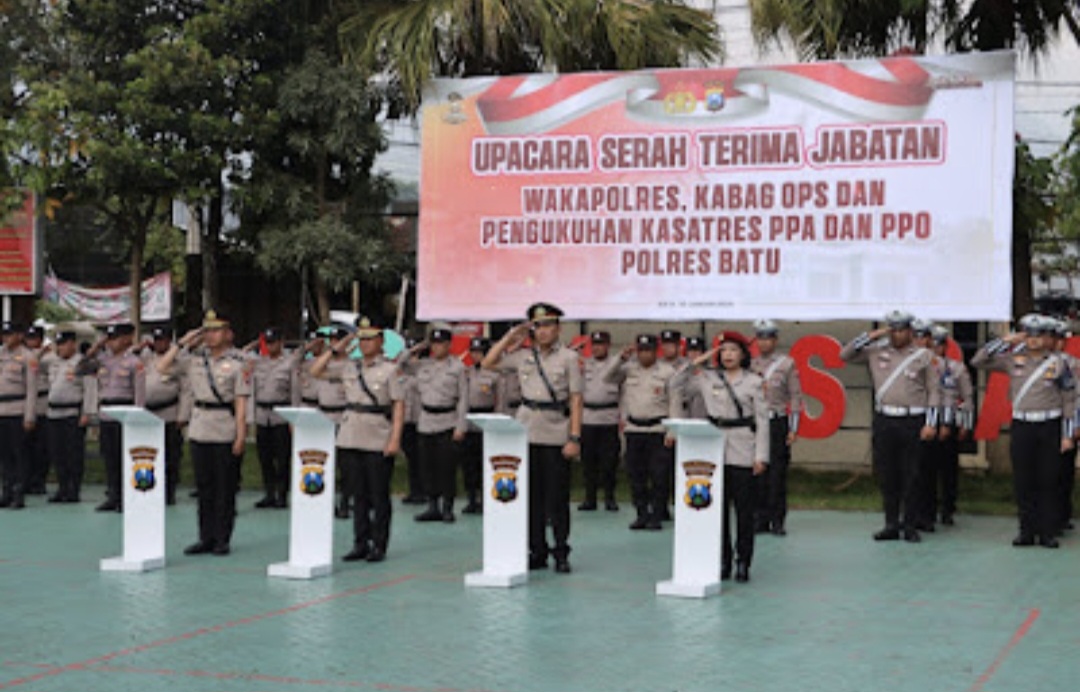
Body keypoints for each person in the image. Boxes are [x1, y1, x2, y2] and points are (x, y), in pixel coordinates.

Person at [482, 303, 583, 573]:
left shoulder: (569, 358)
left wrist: (574, 437)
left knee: (557, 499)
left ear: (558, 328)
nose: (543, 331)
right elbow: (488, 362)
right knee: (530, 499)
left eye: (548, 325)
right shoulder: (523, 355)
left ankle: (561, 551)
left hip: (555, 433)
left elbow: (575, 399)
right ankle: (536, 550)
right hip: (525, 432)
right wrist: (510, 337)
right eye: (537, 326)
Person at [972, 315, 1075, 548]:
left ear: (1048, 338)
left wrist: (1068, 435)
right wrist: (1006, 340)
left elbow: (1069, 400)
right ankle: (1026, 530)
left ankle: (1047, 532)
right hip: (1022, 426)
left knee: (1048, 479)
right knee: (1024, 479)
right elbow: (978, 360)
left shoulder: (1059, 363)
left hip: (1050, 425)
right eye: (1029, 335)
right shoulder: (1012, 360)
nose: (1034, 340)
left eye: (1039, 335)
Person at [840, 310, 941, 543]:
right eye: (893, 329)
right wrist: (873, 335)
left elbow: (934, 390)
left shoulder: (923, 355)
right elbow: (845, 354)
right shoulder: (876, 352)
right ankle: (891, 524)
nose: (897, 334)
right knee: (888, 474)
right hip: (885, 419)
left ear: (910, 331)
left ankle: (910, 525)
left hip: (913, 420)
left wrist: (930, 423)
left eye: (901, 329)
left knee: (912, 475)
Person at [312, 318, 404, 562]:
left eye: (370, 338)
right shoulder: (349, 367)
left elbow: (398, 406)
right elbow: (316, 370)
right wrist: (336, 347)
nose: (365, 344)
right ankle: (360, 542)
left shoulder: (390, 370)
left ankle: (379, 544)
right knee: (357, 495)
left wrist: (395, 439)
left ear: (381, 341)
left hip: (377, 436)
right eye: (361, 339)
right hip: (350, 435)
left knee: (378, 495)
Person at [680, 331, 769, 582]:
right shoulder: (707, 378)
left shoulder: (753, 381)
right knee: (715, 512)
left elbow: (762, 421)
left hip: (743, 448)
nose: (728, 355)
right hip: (713, 449)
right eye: (724, 350)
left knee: (744, 511)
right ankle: (723, 561)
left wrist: (761, 455)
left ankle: (743, 561)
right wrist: (696, 362)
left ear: (743, 354)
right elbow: (674, 385)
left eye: (733, 350)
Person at [160, 311, 250, 556]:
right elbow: (162, 366)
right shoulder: (194, 360)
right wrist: (183, 342)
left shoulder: (239, 364)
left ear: (228, 334)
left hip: (224, 428)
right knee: (204, 487)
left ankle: (222, 538)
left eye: (216, 330)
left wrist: (241, 436)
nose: (210, 336)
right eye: (207, 331)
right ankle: (205, 537)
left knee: (225, 488)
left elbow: (241, 404)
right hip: (200, 427)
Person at [601, 334, 680, 530]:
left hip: (658, 429)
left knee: (659, 476)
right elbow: (606, 377)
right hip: (634, 429)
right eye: (641, 350)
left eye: (648, 350)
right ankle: (641, 513)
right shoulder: (629, 369)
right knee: (636, 475)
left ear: (656, 351)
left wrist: (672, 432)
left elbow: (675, 403)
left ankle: (657, 513)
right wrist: (621, 357)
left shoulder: (668, 372)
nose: (644, 355)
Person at [399, 326, 468, 523]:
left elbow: (463, 398)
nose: (436, 348)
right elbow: (401, 364)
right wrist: (417, 347)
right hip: (426, 421)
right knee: (427, 466)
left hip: (448, 420)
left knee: (446, 467)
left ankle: (447, 507)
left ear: (448, 345)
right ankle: (432, 506)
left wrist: (460, 426)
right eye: (434, 344)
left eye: (440, 344)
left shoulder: (457, 368)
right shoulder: (423, 365)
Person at [750, 319, 803, 536]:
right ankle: (759, 518)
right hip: (754, 423)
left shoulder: (786, 364)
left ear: (775, 340)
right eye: (760, 338)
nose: (763, 343)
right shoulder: (750, 364)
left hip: (777, 421)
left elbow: (796, 396)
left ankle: (777, 520)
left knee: (777, 475)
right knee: (757, 474)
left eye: (768, 338)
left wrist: (793, 428)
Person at [919, 324, 975, 528]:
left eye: (938, 344)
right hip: (923, 421)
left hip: (947, 421)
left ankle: (948, 508)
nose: (934, 348)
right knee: (925, 470)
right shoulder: (919, 365)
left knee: (948, 470)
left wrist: (963, 424)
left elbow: (966, 397)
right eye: (930, 343)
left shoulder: (956, 368)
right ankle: (926, 510)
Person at [87, 322, 146, 512]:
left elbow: (140, 393)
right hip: (106, 413)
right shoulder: (103, 360)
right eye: (109, 339)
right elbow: (82, 367)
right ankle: (113, 495)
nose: (112, 343)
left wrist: (138, 417)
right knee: (109, 457)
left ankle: (126, 498)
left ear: (127, 339)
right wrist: (97, 345)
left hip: (125, 413)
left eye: (116, 339)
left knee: (124, 458)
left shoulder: (134, 362)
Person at [248, 327, 301, 509]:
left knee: (283, 458)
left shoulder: (289, 363)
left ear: (281, 342)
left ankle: (282, 494)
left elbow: (295, 391)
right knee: (265, 458)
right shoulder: (258, 363)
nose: (270, 346)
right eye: (267, 342)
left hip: (281, 414)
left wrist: (294, 419)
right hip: (263, 415)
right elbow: (253, 391)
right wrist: (251, 417)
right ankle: (269, 493)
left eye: (273, 342)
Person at [39, 331, 93, 503]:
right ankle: (62, 488)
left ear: (72, 344)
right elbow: (32, 363)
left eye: (63, 344)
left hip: (73, 413)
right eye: (58, 344)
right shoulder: (53, 362)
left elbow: (90, 390)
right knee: (57, 453)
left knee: (73, 454)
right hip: (54, 413)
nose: (60, 347)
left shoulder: (83, 362)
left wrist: (87, 412)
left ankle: (73, 489)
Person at [139, 326, 185, 505]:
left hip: (169, 413)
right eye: (157, 340)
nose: (160, 343)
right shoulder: (146, 358)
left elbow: (185, 390)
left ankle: (169, 493)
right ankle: (149, 489)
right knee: (149, 455)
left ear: (169, 341)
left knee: (170, 456)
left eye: (163, 340)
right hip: (148, 414)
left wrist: (183, 414)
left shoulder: (178, 361)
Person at [579, 331, 621, 512]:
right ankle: (590, 498)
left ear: (608, 345)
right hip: (588, 417)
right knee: (588, 462)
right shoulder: (584, 364)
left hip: (609, 417)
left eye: (601, 344)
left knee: (609, 462)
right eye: (594, 344)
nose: (597, 348)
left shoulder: (617, 364)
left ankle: (610, 498)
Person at [312, 327, 351, 518]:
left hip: (343, 416)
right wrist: (331, 352)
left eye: (338, 340)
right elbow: (315, 370)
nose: (333, 343)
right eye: (332, 340)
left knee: (345, 465)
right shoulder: (324, 363)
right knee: (324, 464)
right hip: (323, 417)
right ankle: (325, 501)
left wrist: (343, 349)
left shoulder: (351, 365)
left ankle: (345, 501)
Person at [0, 322, 38, 509]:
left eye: (10, 334)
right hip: (1, 410)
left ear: (19, 335)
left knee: (19, 454)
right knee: (4, 455)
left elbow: (31, 389)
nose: (6, 338)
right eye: (4, 334)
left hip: (18, 409)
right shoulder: (0, 354)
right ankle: (6, 490)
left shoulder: (28, 357)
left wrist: (29, 415)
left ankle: (19, 492)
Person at [462, 337, 500, 514]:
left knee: (487, 463)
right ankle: (471, 498)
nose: (476, 356)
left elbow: (499, 400)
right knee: (469, 464)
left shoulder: (494, 375)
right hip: (470, 419)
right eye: (473, 352)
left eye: (479, 352)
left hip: (487, 417)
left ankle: (487, 499)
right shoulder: (466, 372)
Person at [1051, 319, 1078, 535]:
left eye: (1060, 338)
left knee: (1063, 473)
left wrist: (1076, 425)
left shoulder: (1073, 363)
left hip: (1066, 422)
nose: (1056, 342)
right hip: (1042, 422)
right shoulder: (1032, 361)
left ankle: (1061, 515)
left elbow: (1077, 397)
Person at [22, 325, 50, 495]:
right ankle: (25, 480)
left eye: (34, 338)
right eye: (28, 338)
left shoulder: (50, 355)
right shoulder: (23, 355)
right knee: (25, 446)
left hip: (43, 402)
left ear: (40, 339)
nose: (31, 341)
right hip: (26, 403)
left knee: (42, 447)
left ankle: (39, 481)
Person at [398, 338, 426, 505]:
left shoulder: (424, 371)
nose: (412, 359)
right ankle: (414, 490)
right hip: (406, 421)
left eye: (416, 355)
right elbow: (399, 362)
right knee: (411, 459)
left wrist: (419, 351)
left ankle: (423, 491)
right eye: (411, 355)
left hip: (420, 421)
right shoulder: (402, 373)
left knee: (421, 459)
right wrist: (410, 350)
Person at [683, 336, 709, 420]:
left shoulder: (712, 373)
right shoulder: (680, 373)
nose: (693, 354)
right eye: (690, 350)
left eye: (697, 350)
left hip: (705, 419)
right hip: (684, 419)